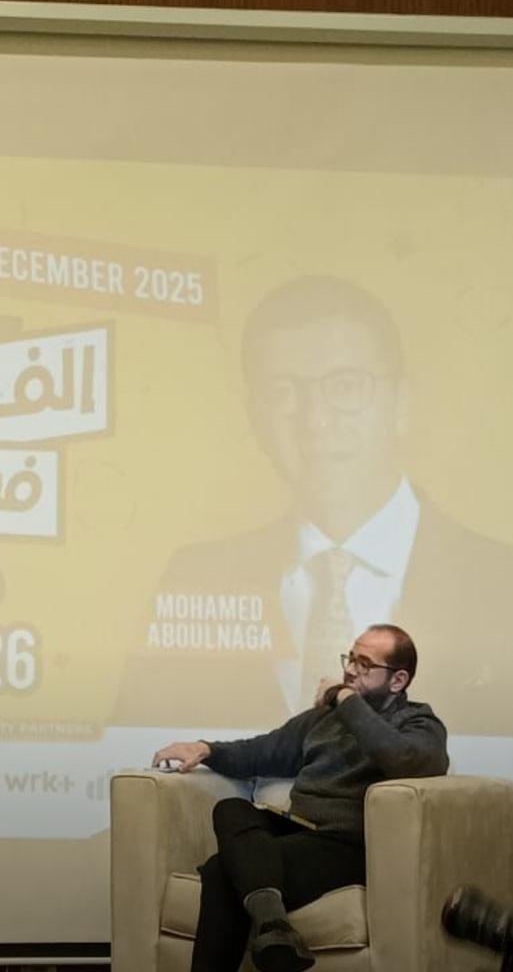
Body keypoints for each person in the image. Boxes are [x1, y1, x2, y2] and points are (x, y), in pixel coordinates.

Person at [114, 274, 513, 734]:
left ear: (402, 403)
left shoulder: (498, 579)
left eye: (345, 386)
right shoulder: (197, 576)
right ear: (256, 418)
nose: (316, 420)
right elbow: (134, 754)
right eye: (284, 392)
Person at [151, 623, 448, 972]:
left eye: (365, 664)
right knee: (231, 809)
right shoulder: (322, 720)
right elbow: (262, 751)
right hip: (298, 831)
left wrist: (345, 699)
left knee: (221, 871)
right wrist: (206, 749)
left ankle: (272, 926)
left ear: (398, 680)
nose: (351, 670)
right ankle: (273, 925)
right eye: (351, 659)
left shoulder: (417, 723)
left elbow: (404, 760)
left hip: (347, 846)